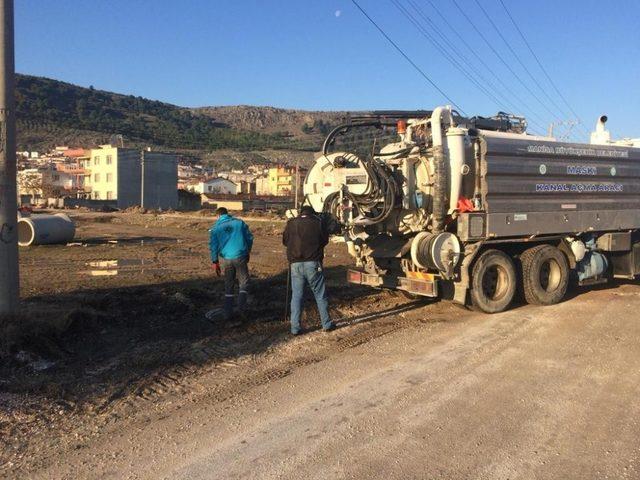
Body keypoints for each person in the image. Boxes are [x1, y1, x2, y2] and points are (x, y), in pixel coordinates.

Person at [282, 205, 335, 335]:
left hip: (295, 264)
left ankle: (295, 328)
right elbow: (324, 240)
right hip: (313, 263)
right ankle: (326, 324)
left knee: (297, 296)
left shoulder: (291, 223)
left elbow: (285, 241)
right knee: (319, 294)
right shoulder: (317, 223)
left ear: (301, 212)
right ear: (312, 213)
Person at [209, 207, 254, 325]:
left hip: (226, 258)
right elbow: (249, 238)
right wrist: (247, 251)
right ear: (227, 214)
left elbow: (213, 246)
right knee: (244, 282)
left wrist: (215, 262)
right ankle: (241, 309)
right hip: (240, 256)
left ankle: (228, 312)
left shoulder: (215, 228)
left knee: (229, 284)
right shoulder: (240, 223)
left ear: (218, 216)